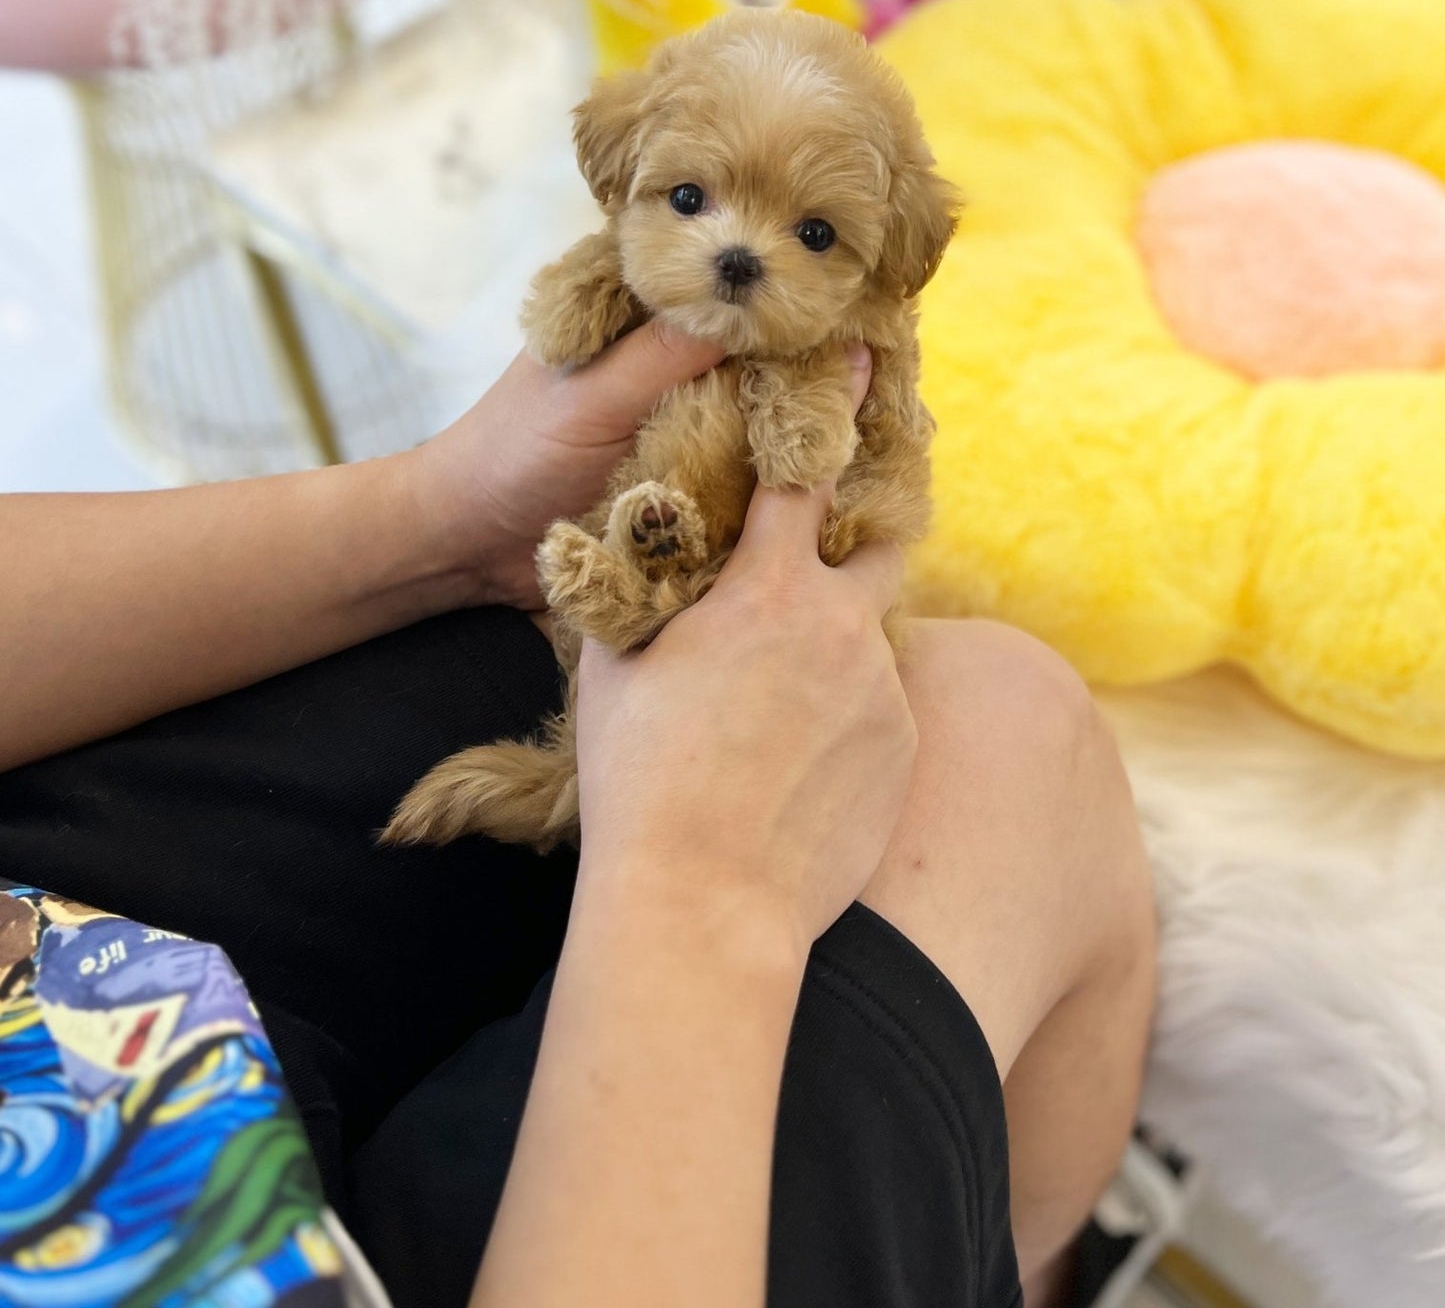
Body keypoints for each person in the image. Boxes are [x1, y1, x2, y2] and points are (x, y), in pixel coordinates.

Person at [0, 319, 1155, 1308]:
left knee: (610, 632)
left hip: (60, 993)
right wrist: (706, 886)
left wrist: (435, 523)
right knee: (994, 740)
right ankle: (1028, 1264)